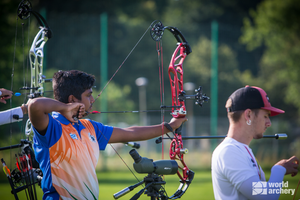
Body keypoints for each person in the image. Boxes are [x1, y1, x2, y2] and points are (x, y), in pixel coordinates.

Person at [28, 70, 187, 200]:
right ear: (72, 99)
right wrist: (64, 108)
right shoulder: (53, 127)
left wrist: (169, 126)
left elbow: (129, 133)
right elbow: (35, 105)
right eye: (88, 95)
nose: (92, 99)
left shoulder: (89, 127)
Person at [211, 85, 299, 200]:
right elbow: (267, 196)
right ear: (248, 115)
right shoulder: (229, 151)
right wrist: (279, 169)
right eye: (266, 116)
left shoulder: (241, 150)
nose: (269, 123)